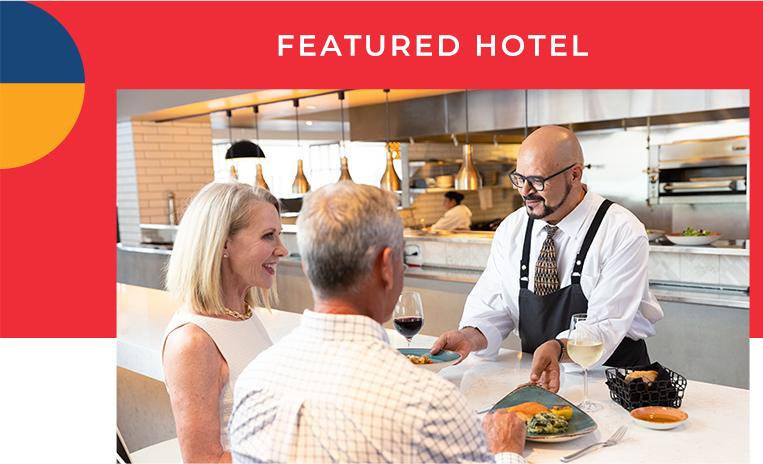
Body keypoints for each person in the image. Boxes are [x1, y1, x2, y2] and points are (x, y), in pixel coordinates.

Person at [229, 181, 528, 464]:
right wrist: (506, 450)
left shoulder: (254, 380)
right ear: (386, 266)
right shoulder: (430, 403)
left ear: (308, 266)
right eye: (401, 256)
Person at [431, 125, 664, 393]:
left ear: (575, 174)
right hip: (538, 379)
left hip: (611, 382)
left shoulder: (621, 230)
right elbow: (494, 305)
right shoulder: (512, 228)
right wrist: (469, 337)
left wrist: (557, 347)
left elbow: (605, 325)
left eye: (538, 180)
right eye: (519, 178)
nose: (525, 191)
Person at [162, 180, 288, 463]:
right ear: (222, 244)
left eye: (279, 235)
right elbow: (204, 461)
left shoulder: (241, 314)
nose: (282, 250)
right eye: (268, 236)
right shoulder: (192, 341)